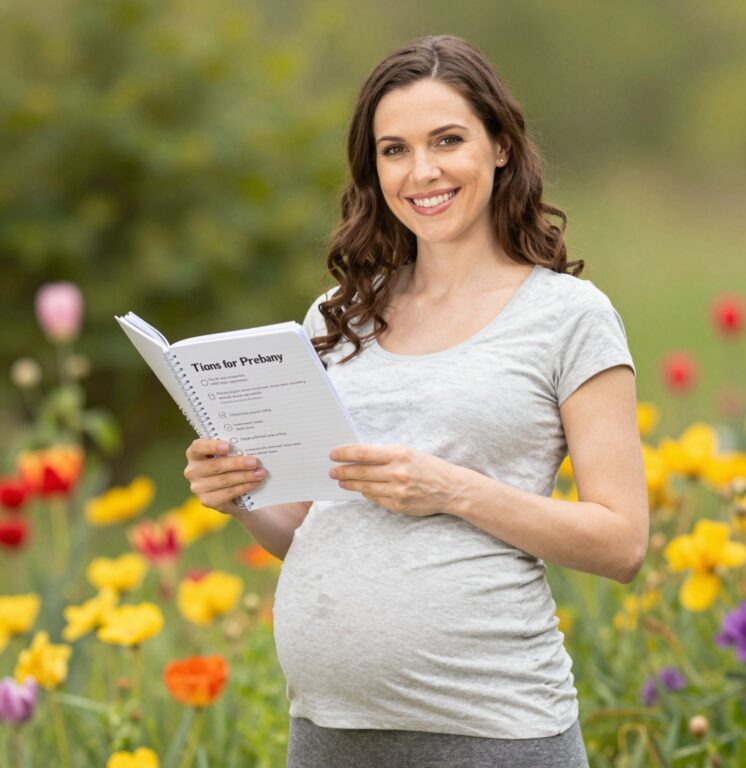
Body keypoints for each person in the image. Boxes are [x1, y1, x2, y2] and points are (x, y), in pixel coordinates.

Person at [183, 34, 647, 768]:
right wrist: (241, 497)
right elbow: (305, 529)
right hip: (329, 735)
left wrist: (451, 489)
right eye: (394, 150)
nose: (421, 171)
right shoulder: (337, 316)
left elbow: (622, 544)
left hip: (494, 735)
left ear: (500, 146)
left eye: (447, 140)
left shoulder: (569, 317)